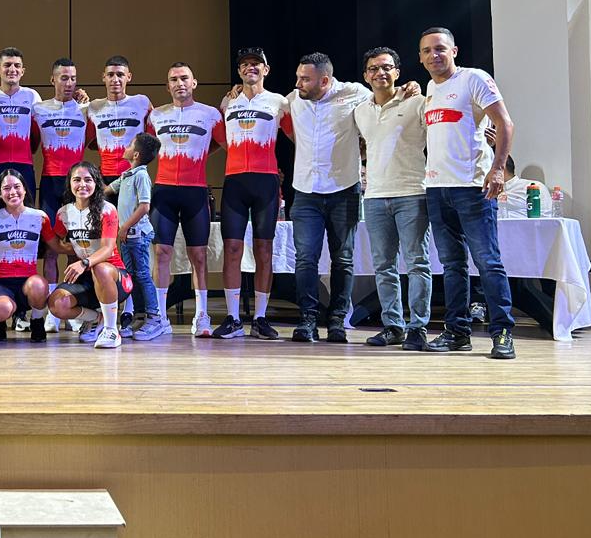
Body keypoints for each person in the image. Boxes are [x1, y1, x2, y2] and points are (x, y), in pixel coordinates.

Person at [287, 53, 420, 343]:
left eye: (304, 79)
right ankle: (307, 320)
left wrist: (410, 88)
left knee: (343, 259)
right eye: (298, 77)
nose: (298, 83)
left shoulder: (355, 94)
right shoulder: (294, 98)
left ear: (324, 80)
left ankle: (337, 320)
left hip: (343, 190)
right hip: (305, 192)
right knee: (305, 260)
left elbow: (385, 98)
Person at [419, 27, 517, 359]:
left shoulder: (473, 78)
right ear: (420, 57)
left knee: (488, 262)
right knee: (452, 265)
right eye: (428, 50)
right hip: (436, 188)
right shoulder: (430, 89)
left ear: (454, 51)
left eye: (440, 49)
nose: (435, 55)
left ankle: (502, 331)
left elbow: (505, 123)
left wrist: (498, 168)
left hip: (472, 188)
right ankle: (457, 332)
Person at [353, 47, 433, 351]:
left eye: (386, 68)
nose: (379, 73)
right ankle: (393, 325)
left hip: (412, 191)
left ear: (397, 73)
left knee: (417, 263)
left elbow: (441, 134)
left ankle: (418, 327)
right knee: (383, 266)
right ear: (365, 76)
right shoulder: (361, 110)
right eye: (373, 69)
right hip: (374, 197)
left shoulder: (417, 103)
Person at [214, 47, 292, 340]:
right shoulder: (228, 102)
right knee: (231, 249)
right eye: (245, 64)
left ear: (266, 69)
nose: (251, 68)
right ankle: (233, 319)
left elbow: (297, 135)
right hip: (234, 182)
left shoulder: (279, 101)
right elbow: (219, 138)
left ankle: (260, 318)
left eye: (256, 64)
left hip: (266, 182)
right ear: (239, 71)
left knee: (264, 250)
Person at [147, 62, 226, 337]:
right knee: (161, 253)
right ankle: (159, 316)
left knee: (199, 256)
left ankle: (202, 316)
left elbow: (221, 143)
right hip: (163, 192)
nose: (179, 83)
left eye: (184, 78)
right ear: (167, 86)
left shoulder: (211, 115)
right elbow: (145, 149)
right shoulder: (155, 116)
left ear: (194, 83)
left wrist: (199, 156)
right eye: (173, 79)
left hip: (195, 191)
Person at [47, 161, 134, 349]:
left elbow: (108, 248)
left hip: (116, 277)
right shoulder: (64, 213)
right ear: (70, 183)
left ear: (96, 183)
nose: (82, 185)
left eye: (88, 180)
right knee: (56, 304)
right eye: (76, 180)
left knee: (100, 268)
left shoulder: (107, 209)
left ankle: (111, 330)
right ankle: (96, 318)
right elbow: (56, 243)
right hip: (87, 278)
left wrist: (84, 262)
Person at [32, 58, 89, 331]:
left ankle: (73, 308)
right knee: (53, 249)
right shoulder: (38, 109)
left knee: (77, 249)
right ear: (52, 80)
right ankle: (53, 311)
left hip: (76, 184)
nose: (69, 83)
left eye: (73, 78)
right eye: (63, 78)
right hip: (50, 181)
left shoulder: (86, 109)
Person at [0, 168, 55, 342]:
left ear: (25, 189)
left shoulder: (40, 217)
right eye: (6, 188)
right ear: (0, 194)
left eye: (17, 187)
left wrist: (86, 252)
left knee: (40, 285)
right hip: (2, 283)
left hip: (28, 283)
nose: (12, 192)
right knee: (0, 308)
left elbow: (57, 246)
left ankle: (37, 321)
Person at [104, 132, 165, 340]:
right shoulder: (127, 175)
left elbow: (144, 206)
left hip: (137, 235)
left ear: (136, 154)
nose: (126, 147)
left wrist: (124, 227)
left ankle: (155, 318)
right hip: (126, 237)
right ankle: (139, 315)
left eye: (130, 145)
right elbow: (106, 190)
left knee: (143, 275)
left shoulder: (141, 175)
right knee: (129, 275)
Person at [0, 47, 42, 209]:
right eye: (7, 65)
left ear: (23, 71)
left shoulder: (33, 96)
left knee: (27, 211)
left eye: (17, 66)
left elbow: (36, 135)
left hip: (24, 164)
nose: (12, 69)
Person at [86, 54, 153, 182]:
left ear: (129, 77)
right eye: (110, 75)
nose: (115, 79)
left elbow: (152, 141)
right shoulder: (94, 106)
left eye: (120, 75)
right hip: (105, 177)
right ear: (103, 77)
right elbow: (90, 143)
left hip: (134, 175)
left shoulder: (142, 102)